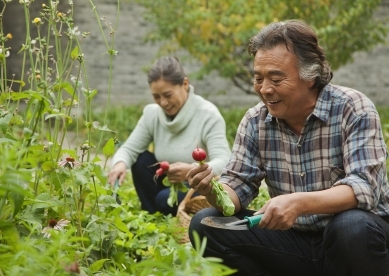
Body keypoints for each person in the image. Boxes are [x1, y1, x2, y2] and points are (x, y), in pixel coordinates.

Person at [186, 20, 389, 276]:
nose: (265, 89)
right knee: (205, 225)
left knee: (351, 225)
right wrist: (212, 188)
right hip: (294, 242)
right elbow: (236, 188)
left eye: (276, 78)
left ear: (310, 76)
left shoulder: (353, 108)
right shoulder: (255, 121)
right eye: (258, 78)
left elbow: (364, 188)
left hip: (354, 241)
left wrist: (299, 203)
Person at [108, 56, 231, 216]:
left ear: (185, 84)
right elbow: (129, 149)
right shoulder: (152, 114)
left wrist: (192, 170)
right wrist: (120, 164)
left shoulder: (208, 115)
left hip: (197, 187)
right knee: (141, 159)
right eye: (156, 97)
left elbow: (224, 161)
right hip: (167, 184)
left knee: (163, 199)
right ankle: (153, 217)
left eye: (167, 95)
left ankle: (163, 213)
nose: (163, 102)